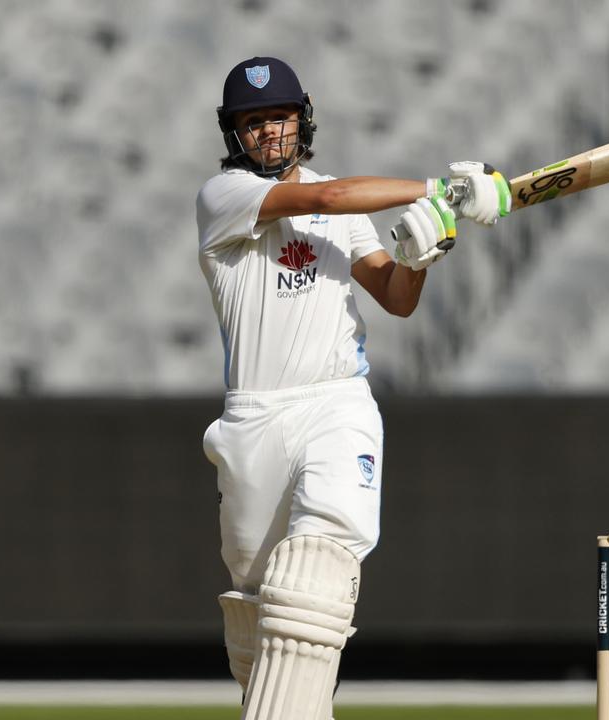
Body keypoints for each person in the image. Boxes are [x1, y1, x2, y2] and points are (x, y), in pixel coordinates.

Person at [195, 57, 510, 720]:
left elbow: (395, 298)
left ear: (300, 119)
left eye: (277, 117)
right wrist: (437, 189)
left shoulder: (345, 202)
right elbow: (324, 200)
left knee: (316, 575)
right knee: (263, 622)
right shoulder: (223, 199)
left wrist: (419, 257)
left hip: (336, 403)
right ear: (234, 135)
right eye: (253, 123)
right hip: (253, 421)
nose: (268, 134)